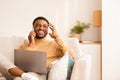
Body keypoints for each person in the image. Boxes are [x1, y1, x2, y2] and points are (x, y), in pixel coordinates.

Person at [0, 16, 76, 80]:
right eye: (38, 25)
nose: (41, 28)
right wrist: (31, 43)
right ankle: (24, 75)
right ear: (33, 28)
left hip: (38, 75)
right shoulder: (25, 44)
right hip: (18, 72)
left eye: (44, 26)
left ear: (48, 29)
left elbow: (71, 56)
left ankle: (25, 76)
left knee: (18, 79)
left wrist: (57, 37)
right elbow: (21, 62)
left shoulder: (54, 45)